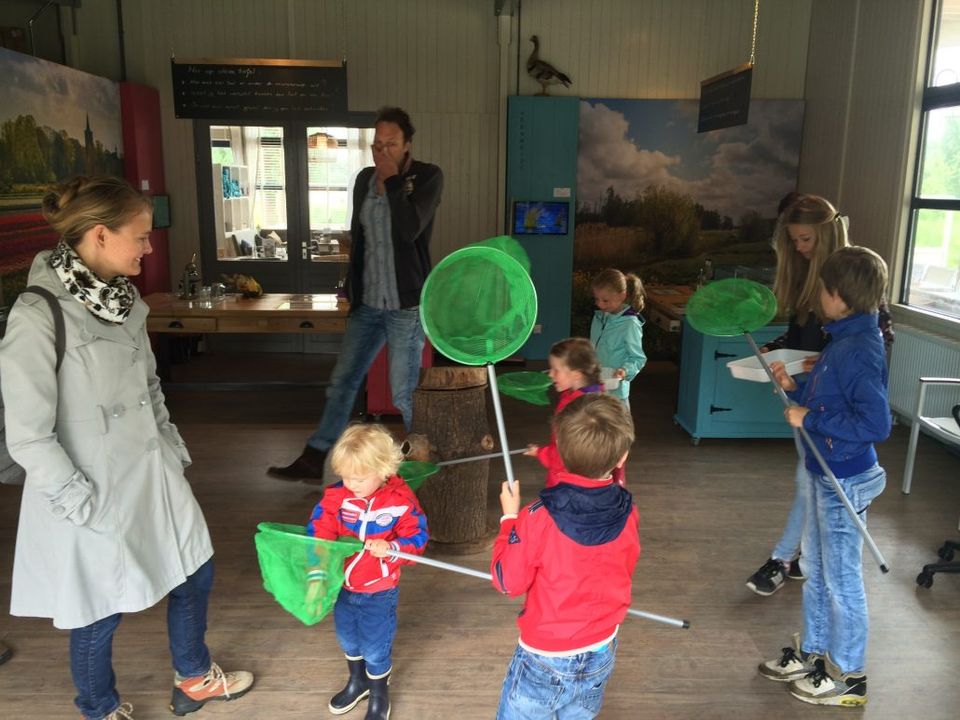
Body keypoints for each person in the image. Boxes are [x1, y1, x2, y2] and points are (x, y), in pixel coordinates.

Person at [0, 176, 253, 720]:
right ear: (100, 235)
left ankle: (193, 679)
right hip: (91, 486)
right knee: (99, 610)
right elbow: (28, 434)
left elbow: (150, 386)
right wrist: (77, 500)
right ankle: (99, 708)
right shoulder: (38, 314)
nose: (148, 247)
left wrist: (172, 450)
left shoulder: (125, 302)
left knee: (195, 570)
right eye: (140, 236)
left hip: (151, 471)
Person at [269, 106, 444, 482]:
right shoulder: (365, 179)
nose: (382, 151)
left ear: (407, 144)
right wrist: (350, 285)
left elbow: (409, 229)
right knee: (343, 381)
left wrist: (393, 180)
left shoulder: (428, 177)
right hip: (368, 304)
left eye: (391, 144)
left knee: (403, 392)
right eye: (377, 144)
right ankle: (314, 457)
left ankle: (423, 464)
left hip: (405, 304)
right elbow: (360, 238)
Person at [759, 246, 891, 707]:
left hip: (844, 479)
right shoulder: (842, 340)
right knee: (815, 569)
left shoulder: (859, 349)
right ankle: (814, 654)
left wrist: (810, 419)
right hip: (824, 470)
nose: (818, 296)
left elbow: (875, 424)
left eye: (823, 289)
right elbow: (836, 400)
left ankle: (849, 675)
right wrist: (795, 390)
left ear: (840, 296)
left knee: (841, 580)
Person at [746, 194, 894, 596]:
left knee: (809, 482)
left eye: (805, 239)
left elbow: (872, 342)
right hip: (812, 396)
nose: (799, 247)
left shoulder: (851, 278)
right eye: (793, 240)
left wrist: (829, 362)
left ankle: (783, 559)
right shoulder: (814, 278)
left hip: (835, 413)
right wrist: (778, 349)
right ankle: (800, 558)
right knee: (809, 481)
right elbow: (803, 331)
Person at [492, 393, 640, 719]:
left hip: (546, 656)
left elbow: (507, 582)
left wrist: (509, 520)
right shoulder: (629, 510)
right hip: (602, 646)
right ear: (622, 456)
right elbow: (623, 566)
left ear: (559, 449)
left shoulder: (537, 517)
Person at [306, 423, 429, 720]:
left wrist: (393, 548)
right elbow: (319, 529)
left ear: (384, 469)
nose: (351, 484)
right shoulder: (338, 497)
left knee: (375, 647)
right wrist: (318, 568)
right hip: (344, 586)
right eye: (345, 476)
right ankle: (357, 681)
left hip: (379, 591)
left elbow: (418, 537)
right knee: (348, 639)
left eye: (359, 478)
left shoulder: (401, 502)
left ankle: (378, 694)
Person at [524, 337, 605, 486]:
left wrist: (541, 453)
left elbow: (563, 453)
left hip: (568, 482)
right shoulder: (589, 397)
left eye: (556, 370)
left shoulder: (578, 409)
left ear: (576, 374)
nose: (550, 374)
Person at [589, 269, 646, 407]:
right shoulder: (599, 317)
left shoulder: (630, 324)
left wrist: (625, 371)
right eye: (596, 299)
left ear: (622, 296)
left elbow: (638, 359)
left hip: (616, 394)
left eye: (605, 300)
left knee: (619, 422)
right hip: (596, 388)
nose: (600, 304)